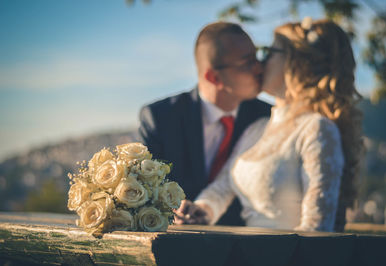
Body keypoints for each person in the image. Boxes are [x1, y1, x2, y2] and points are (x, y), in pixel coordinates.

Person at [176, 18, 364, 232]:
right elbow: (223, 186)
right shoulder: (257, 128)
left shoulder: (316, 129)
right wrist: (203, 209)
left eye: (270, 53)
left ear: (296, 64)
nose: (259, 64)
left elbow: (316, 229)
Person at [136, 22, 272, 225]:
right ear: (214, 77)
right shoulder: (160, 118)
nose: (260, 68)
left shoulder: (266, 116)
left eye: (257, 58)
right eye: (248, 63)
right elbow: (144, 193)